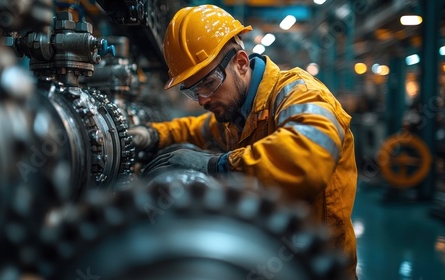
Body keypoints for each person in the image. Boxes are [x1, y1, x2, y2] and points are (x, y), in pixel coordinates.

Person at [129, 4, 358, 278]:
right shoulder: (237, 115)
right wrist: (152, 134)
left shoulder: (300, 94)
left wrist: (219, 166)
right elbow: (195, 129)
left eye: (208, 83)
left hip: (315, 267)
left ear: (240, 63)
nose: (202, 100)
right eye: (192, 91)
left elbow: (304, 160)